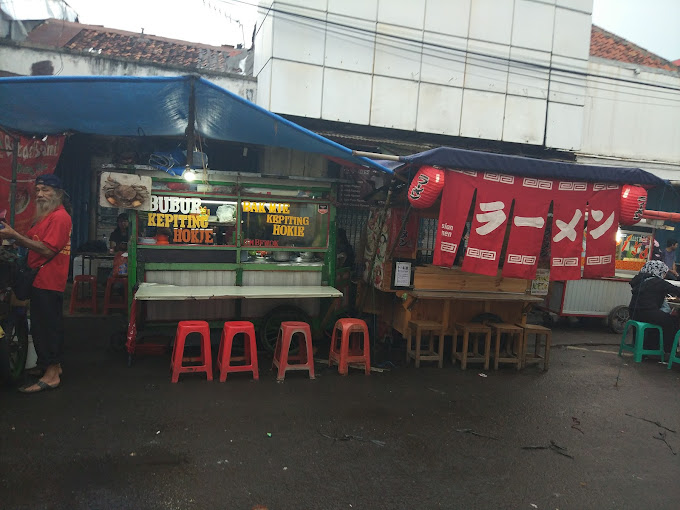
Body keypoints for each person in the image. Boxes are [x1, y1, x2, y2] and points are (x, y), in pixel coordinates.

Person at [0, 174, 72, 392]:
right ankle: (51, 366)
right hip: (40, 278)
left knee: (47, 328)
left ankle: (52, 376)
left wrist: (16, 236)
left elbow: (47, 249)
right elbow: (35, 241)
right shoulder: (45, 217)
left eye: (46, 190)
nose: (40, 194)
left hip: (49, 280)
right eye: (38, 189)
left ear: (58, 194)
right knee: (43, 326)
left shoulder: (60, 217)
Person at [628, 260, 680, 355]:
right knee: (673, 321)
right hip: (647, 313)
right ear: (659, 271)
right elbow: (677, 290)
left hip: (633, 312)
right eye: (664, 273)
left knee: (662, 319)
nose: (664, 276)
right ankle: (669, 350)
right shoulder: (657, 282)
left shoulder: (641, 279)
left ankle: (651, 347)